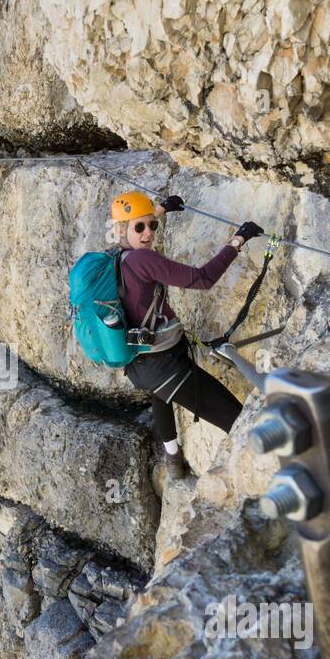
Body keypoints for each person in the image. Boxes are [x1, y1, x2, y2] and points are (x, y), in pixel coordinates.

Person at [110, 190, 264, 480]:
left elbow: (138, 225)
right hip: (166, 367)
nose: (147, 234)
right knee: (238, 419)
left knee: (161, 395)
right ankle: (256, 480)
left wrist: (161, 211)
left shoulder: (115, 256)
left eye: (151, 226)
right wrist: (238, 240)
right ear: (122, 230)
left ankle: (172, 460)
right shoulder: (143, 259)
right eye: (140, 227)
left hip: (138, 365)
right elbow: (202, 280)